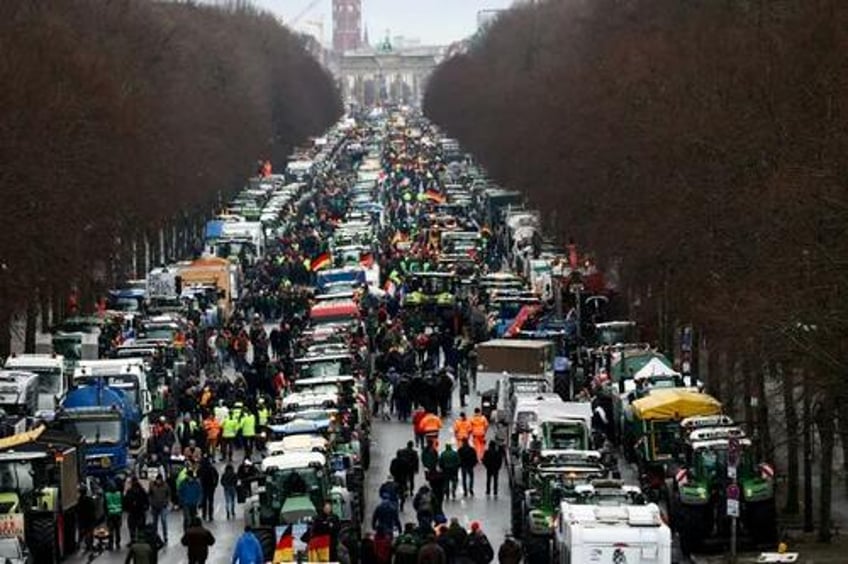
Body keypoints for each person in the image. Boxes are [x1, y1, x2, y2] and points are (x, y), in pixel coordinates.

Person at [149, 474, 171, 543]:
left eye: (159, 480)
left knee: (163, 521)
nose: (158, 481)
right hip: (154, 506)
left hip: (163, 506)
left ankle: (165, 536)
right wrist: (151, 502)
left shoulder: (166, 486)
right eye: (157, 480)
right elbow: (150, 494)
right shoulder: (152, 485)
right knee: (155, 523)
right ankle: (154, 536)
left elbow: (169, 494)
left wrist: (167, 502)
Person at [198, 456, 219, 521]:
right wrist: (215, 484)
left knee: (204, 501)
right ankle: (210, 516)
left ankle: (204, 515)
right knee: (210, 501)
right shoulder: (212, 468)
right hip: (211, 487)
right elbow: (216, 476)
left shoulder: (201, 468)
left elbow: (197, 476)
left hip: (203, 486)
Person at [105, 481, 124, 550]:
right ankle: (118, 544)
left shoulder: (107, 495)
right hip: (118, 515)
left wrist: (106, 514)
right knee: (118, 530)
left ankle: (111, 544)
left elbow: (105, 505)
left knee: (111, 530)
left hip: (110, 515)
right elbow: (122, 503)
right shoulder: (119, 494)